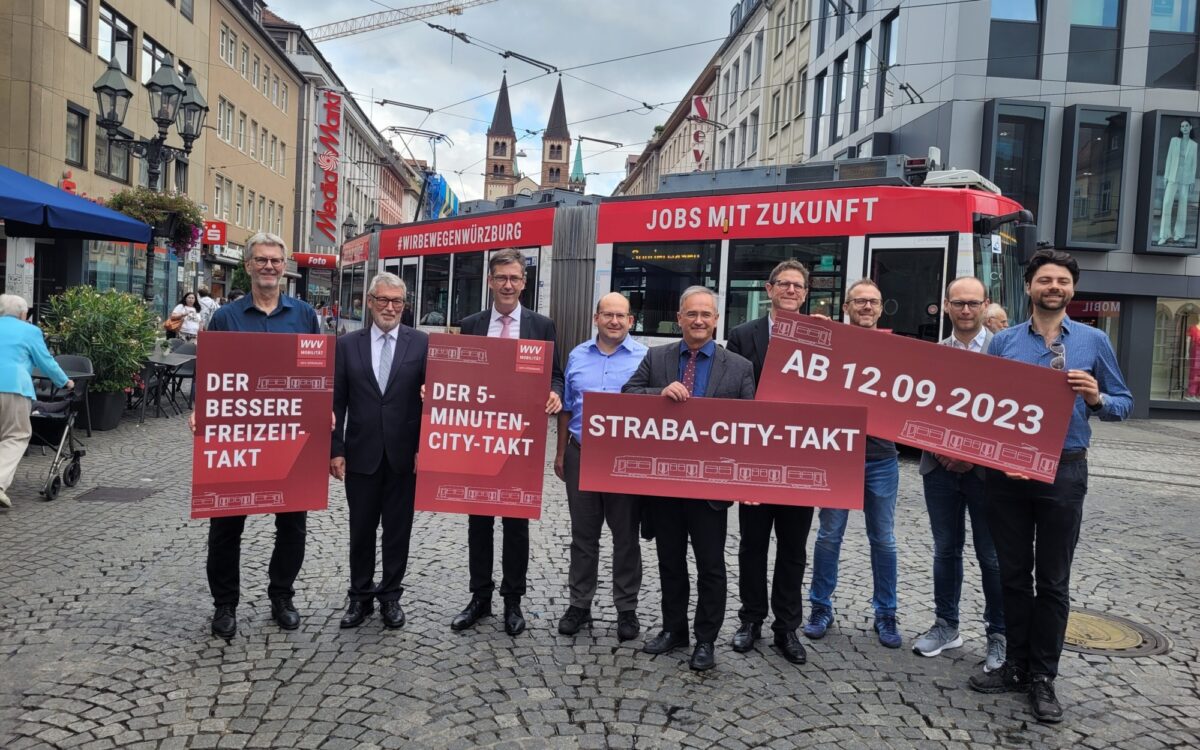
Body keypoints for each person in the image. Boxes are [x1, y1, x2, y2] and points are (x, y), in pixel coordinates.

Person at [968, 249, 1131, 724]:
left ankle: (1043, 676)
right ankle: (1015, 666)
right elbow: (985, 408)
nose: (1053, 287)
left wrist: (1097, 398)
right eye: (1045, 280)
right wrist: (1001, 456)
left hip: (1064, 471)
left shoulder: (1094, 341)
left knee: (1054, 581)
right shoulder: (1004, 343)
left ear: (1072, 289)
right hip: (1008, 476)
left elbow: (1124, 402)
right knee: (1013, 575)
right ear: (1029, 287)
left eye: (1061, 280)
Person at [189, 232, 323, 640]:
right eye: (261, 260)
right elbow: (209, 371)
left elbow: (318, 372)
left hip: (289, 434)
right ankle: (225, 604)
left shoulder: (305, 316)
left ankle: (282, 596)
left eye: (275, 261)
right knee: (226, 526)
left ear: (285, 268)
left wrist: (325, 409)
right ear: (247, 265)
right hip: (238, 437)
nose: (269, 266)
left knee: (292, 524)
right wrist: (200, 408)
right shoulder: (226, 318)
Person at [622, 286, 756, 671]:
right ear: (679, 318)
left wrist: (746, 480)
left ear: (716, 320)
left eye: (706, 314)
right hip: (666, 482)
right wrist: (658, 394)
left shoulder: (739, 367)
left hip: (711, 485)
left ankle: (706, 639)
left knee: (711, 566)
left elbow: (750, 427)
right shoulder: (657, 357)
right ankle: (674, 630)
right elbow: (627, 395)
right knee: (670, 561)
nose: (699, 320)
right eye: (691, 314)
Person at [451, 248, 564, 637]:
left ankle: (513, 601)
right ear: (490, 281)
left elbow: (555, 374)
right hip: (480, 438)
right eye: (501, 277)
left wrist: (555, 392)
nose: (508, 284)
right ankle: (479, 597)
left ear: (524, 282)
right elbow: (459, 374)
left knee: (516, 524)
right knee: (478, 522)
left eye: (515, 278)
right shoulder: (471, 324)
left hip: (521, 440)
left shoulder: (541, 326)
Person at [913, 277, 1006, 672]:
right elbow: (916, 409)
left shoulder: (1004, 352)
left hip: (986, 474)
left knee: (992, 556)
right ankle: (946, 626)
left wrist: (973, 457)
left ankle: (999, 634)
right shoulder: (931, 355)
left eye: (972, 303)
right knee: (946, 550)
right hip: (939, 469)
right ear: (947, 305)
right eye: (958, 303)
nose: (965, 310)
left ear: (985, 305)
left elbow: (1007, 413)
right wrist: (943, 450)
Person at [804, 279, 903, 649]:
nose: (866, 307)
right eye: (859, 301)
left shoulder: (896, 349)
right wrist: (812, 332)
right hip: (838, 454)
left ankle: (886, 612)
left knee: (884, 539)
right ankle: (820, 607)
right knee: (829, 535)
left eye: (873, 302)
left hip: (882, 457)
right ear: (845, 307)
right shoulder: (830, 344)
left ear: (881, 308)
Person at [724, 260, 814, 666]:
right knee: (752, 545)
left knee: (794, 548)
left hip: (802, 457)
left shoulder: (822, 337)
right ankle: (751, 619)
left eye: (798, 286)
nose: (791, 290)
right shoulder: (743, 335)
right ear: (769, 289)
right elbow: (730, 390)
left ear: (805, 294)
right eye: (784, 284)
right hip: (755, 457)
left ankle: (787, 627)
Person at [331, 273, 428, 630]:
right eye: (383, 300)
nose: (390, 307)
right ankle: (359, 597)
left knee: (398, 531)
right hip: (361, 453)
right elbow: (336, 401)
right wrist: (335, 448)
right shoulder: (347, 345)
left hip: (405, 455)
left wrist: (425, 447)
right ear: (370, 302)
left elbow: (433, 400)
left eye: (397, 301)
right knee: (361, 529)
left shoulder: (422, 343)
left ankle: (390, 597)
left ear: (404, 305)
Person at [554, 292, 648, 641]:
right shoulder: (577, 355)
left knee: (626, 538)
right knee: (583, 536)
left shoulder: (645, 357)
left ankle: (627, 609)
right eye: (608, 314)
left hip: (624, 459)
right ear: (596, 318)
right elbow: (567, 408)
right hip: (581, 453)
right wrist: (561, 453)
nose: (614, 321)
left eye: (621, 316)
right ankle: (579, 604)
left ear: (630, 321)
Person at [0, 294, 73, 509]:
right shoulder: (29, 331)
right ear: (23, 314)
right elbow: (46, 362)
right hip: (14, 387)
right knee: (16, 435)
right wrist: (65, 382)